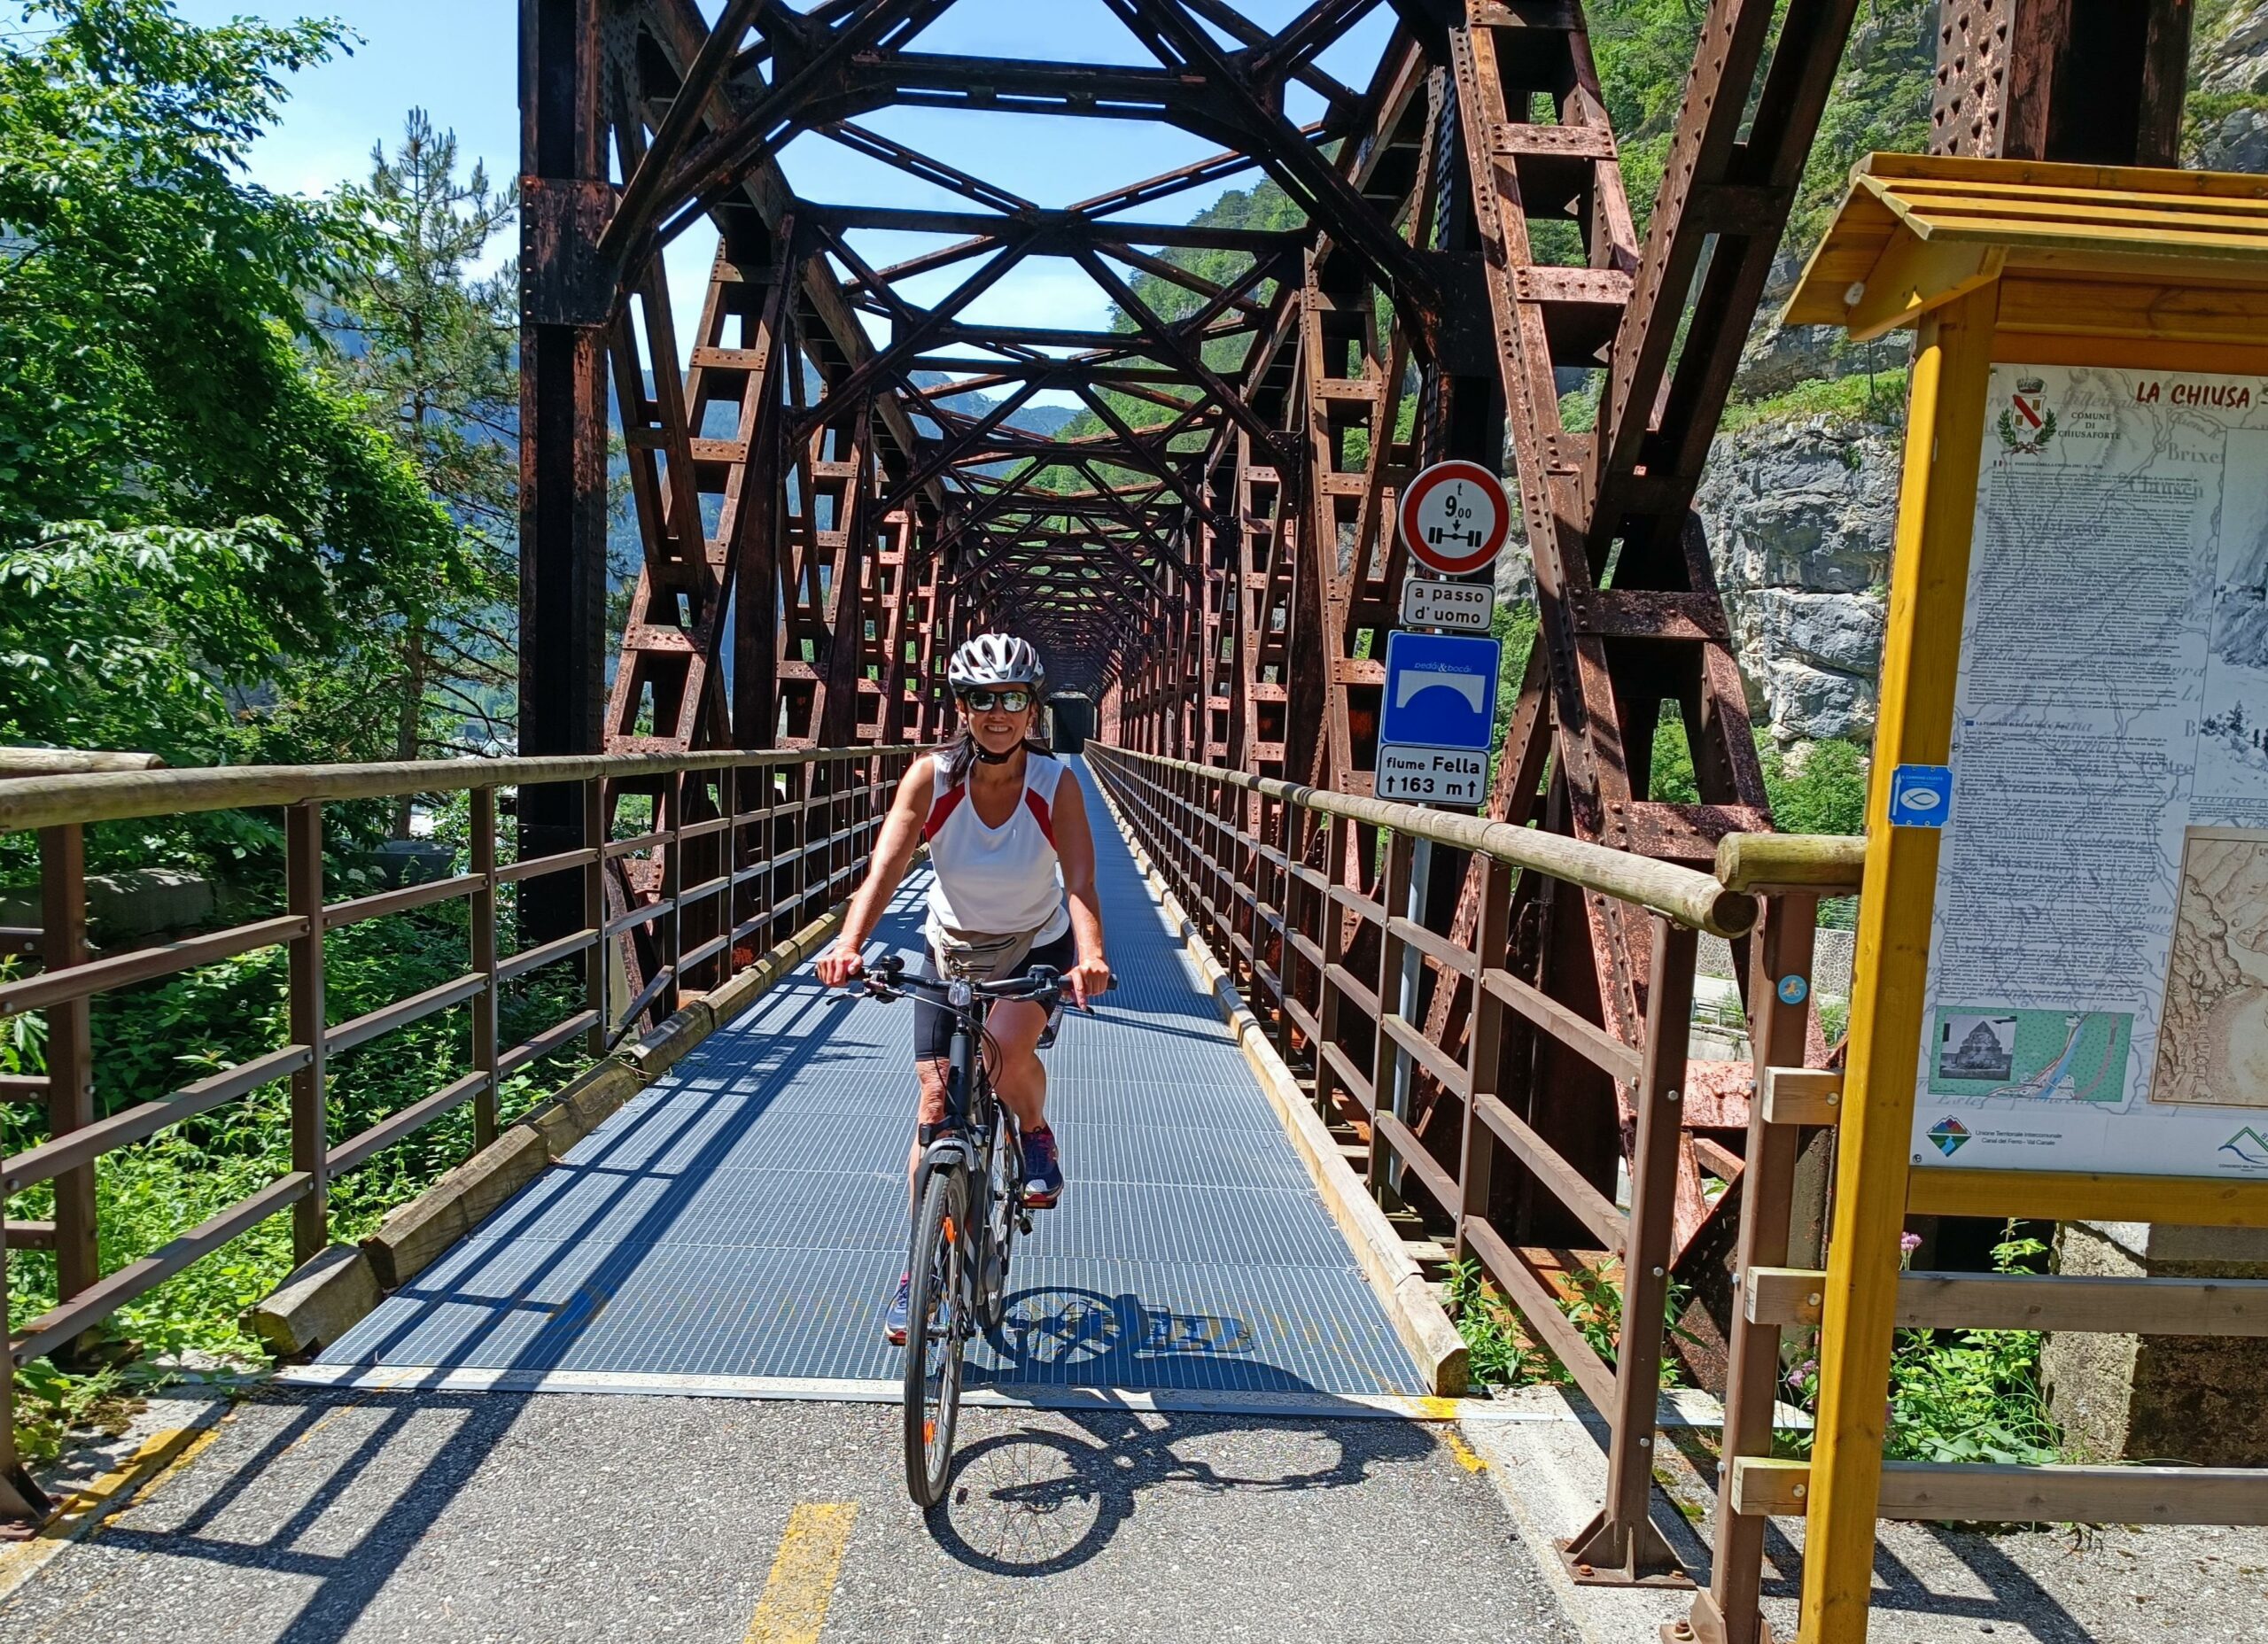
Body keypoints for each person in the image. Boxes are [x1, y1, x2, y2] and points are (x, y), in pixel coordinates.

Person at [814, 632, 1112, 1343]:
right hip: (948, 948)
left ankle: (1036, 1135)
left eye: (1012, 699)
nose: (998, 713)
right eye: (983, 699)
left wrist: (1091, 955)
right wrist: (850, 943)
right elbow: (885, 868)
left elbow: (1080, 880)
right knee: (935, 1102)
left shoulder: (1054, 784)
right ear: (962, 707)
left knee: (1004, 1055)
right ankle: (922, 1267)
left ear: (1033, 708)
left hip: (1032, 944)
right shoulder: (932, 778)